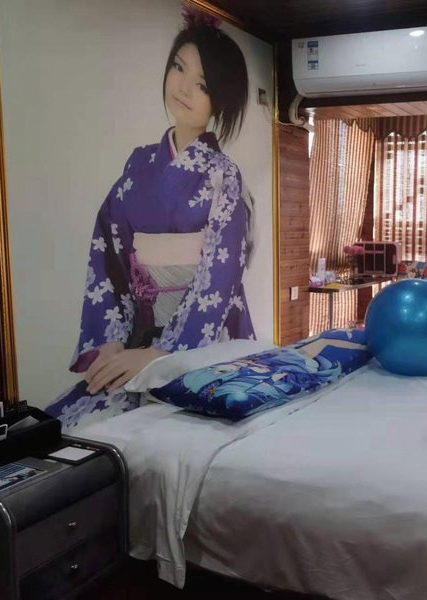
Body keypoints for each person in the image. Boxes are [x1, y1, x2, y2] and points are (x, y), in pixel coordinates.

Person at [46, 12, 254, 430]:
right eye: (179, 68)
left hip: (200, 343)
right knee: (67, 424)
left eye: (203, 85)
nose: (184, 88)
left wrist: (162, 355)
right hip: (138, 336)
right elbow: (108, 250)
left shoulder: (223, 175)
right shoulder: (139, 163)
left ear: (221, 99)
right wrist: (111, 341)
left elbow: (219, 277)